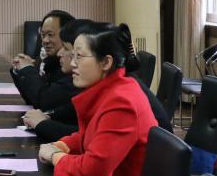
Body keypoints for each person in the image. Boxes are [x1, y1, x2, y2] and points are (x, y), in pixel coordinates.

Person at [38, 24, 158, 176]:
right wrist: (61, 145)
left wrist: (56, 157)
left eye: (79, 56)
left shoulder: (122, 102)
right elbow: (90, 136)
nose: (72, 64)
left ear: (106, 62)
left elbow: (93, 170)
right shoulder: (111, 89)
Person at [25, 20, 173, 142]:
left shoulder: (121, 97)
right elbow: (77, 117)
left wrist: (44, 126)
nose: (60, 53)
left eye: (78, 54)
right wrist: (49, 117)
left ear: (105, 61)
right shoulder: (106, 81)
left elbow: (93, 145)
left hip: (155, 163)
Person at [11, 10, 76, 110]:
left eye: (50, 35)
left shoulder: (71, 69)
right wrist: (20, 69)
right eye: (43, 35)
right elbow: (32, 99)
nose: (45, 40)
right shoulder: (50, 61)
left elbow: (44, 101)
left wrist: (28, 69)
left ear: (67, 35)